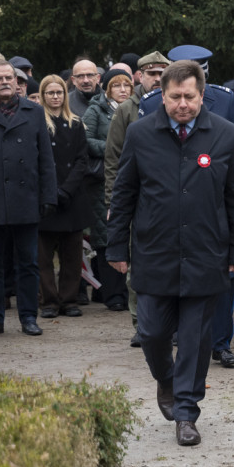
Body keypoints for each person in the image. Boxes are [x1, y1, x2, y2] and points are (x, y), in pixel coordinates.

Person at [106, 60, 234, 446]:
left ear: (202, 97)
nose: (182, 104)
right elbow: (123, 195)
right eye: (175, 97)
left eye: (190, 96)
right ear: (162, 98)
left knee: (195, 339)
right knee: (152, 334)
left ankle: (186, 413)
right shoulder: (140, 134)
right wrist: (116, 245)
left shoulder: (223, 134)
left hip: (206, 254)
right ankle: (166, 381)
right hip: (155, 254)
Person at [139, 44, 234, 368]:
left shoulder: (225, 100)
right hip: (168, 214)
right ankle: (179, 336)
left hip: (212, 207)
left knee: (223, 283)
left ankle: (221, 342)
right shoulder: (149, 104)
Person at [0, 60, 57, 337]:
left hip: (26, 198)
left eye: (10, 78)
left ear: (18, 83)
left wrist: (48, 195)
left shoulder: (35, 112)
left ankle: (29, 316)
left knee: (28, 262)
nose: (5, 82)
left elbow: (46, 160)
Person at [103, 50, 171, 346]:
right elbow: (113, 160)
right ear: (138, 76)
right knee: (137, 266)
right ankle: (140, 323)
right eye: (152, 74)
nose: (157, 79)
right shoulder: (127, 110)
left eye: (161, 74)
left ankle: (171, 323)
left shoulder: (175, 104)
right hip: (137, 201)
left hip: (170, 201)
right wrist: (112, 204)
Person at [37, 75, 93, 319]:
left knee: (72, 255)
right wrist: (51, 191)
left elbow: (82, 160)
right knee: (43, 256)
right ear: (43, 95)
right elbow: (35, 161)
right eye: (50, 93)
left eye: (59, 92)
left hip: (72, 197)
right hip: (45, 197)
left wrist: (66, 190)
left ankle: (69, 299)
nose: (55, 96)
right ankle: (49, 300)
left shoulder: (76, 123)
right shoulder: (36, 123)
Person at [83, 67, 134, 311]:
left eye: (126, 85)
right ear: (106, 88)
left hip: (131, 179)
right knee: (105, 237)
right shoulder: (96, 110)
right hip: (103, 181)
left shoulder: (137, 107)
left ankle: (128, 291)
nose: (122, 90)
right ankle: (112, 294)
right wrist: (114, 147)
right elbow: (86, 140)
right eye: (117, 85)